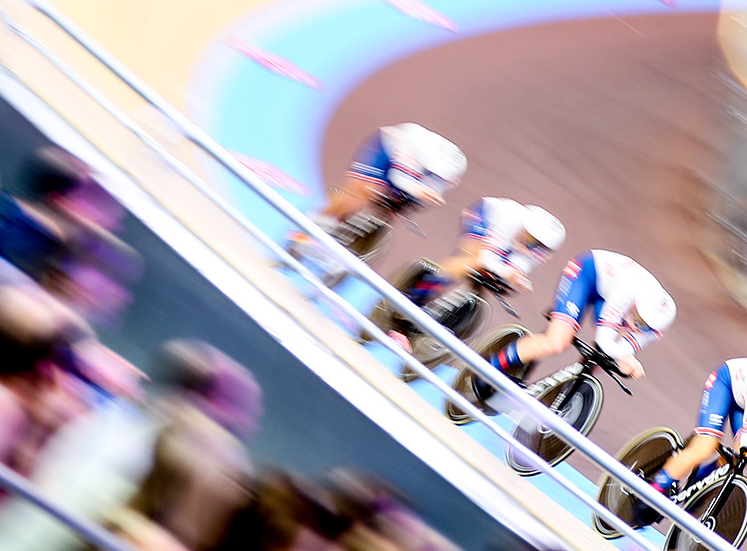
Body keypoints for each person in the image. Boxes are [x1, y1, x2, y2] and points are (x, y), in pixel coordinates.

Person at [630, 357, 747, 527]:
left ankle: (697, 491)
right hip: (725, 385)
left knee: (739, 461)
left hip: (745, 404)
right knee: (706, 446)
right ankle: (654, 491)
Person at [482, 249, 673, 392]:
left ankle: (565, 388)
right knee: (557, 342)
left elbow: (623, 348)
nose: (634, 325)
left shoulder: (657, 328)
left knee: (603, 358)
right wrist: (623, 358)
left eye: (642, 326)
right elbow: (604, 340)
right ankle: (489, 369)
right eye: (637, 317)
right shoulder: (629, 289)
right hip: (586, 277)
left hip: (609, 297)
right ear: (636, 303)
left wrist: (625, 357)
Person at [286, 121, 465, 269]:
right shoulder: (412, 145)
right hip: (388, 150)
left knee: (394, 206)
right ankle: (317, 221)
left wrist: (406, 203)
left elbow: (425, 198)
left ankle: (353, 245)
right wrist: (412, 190)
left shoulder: (448, 173)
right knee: (360, 193)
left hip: (412, 172)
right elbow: (398, 178)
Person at [391, 197, 564, 336]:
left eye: (535, 244)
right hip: (484, 219)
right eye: (529, 238)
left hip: (505, 242)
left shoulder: (541, 251)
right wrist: (506, 273)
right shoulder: (512, 218)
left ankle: (447, 316)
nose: (529, 244)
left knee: (485, 281)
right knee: (471, 261)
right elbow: (486, 257)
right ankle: (415, 297)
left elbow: (519, 267)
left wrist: (515, 277)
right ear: (525, 227)